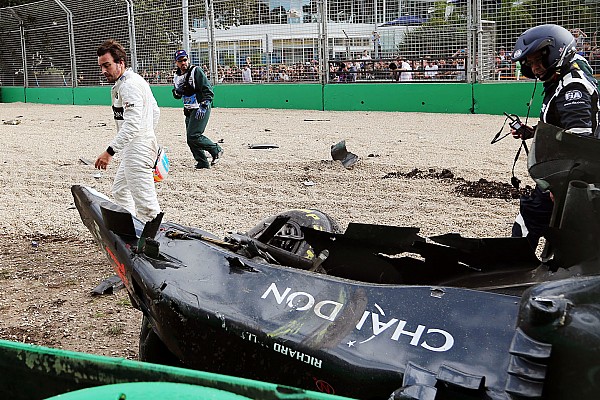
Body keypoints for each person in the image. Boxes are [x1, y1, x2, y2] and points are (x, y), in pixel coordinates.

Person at [509, 24, 600, 249]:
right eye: (530, 63)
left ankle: (512, 268)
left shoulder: (571, 87)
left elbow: (580, 142)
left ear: (557, 52)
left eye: (539, 60)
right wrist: (532, 132)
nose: (536, 68)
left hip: (574, 176)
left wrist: (559, 186)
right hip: (580, 173)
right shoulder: (571, 69)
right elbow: (563, 127)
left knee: (530, 216)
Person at [94, 39, 161, 223]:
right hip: (137, 147)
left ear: (120, 63)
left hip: (138, 150)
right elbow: (155, 111)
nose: (103, 71)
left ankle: (159, 246)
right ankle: (131, 230)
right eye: (101, 66)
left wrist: (109, 152)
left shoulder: (129, 85)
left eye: (107, 65)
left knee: (148, 207)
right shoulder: (133, 81)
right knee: (120, 190)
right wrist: (146, 134)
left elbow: (132, 125)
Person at [172, 49, 223, 169]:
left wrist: (204, 105)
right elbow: (176, 95)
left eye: (185, 60)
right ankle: (202, 162)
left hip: (200, 108)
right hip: (189, 110)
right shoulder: (176, 76)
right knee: (190, 139)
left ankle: (216, 149)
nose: (183, 63)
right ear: (176, 63)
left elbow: (208, 90)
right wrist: (177, 92)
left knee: (194, 135)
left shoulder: (196, 71)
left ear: (188, 59)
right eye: (180, 61)